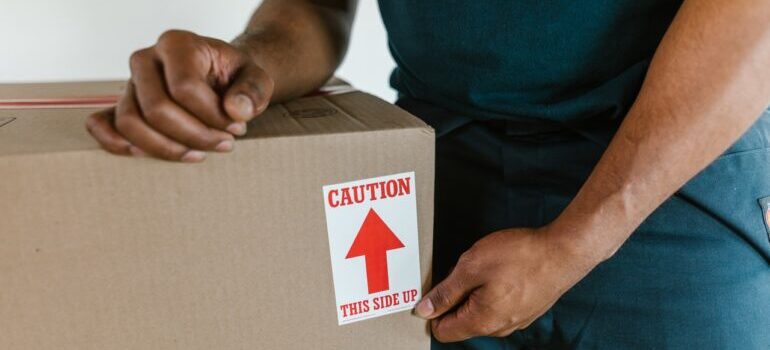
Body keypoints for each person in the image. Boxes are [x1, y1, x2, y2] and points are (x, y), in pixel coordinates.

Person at [86, 1, 770, 348]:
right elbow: (314, 8)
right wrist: (251, 62)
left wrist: (576, 240)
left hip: (663, 190)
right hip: (443, 182)